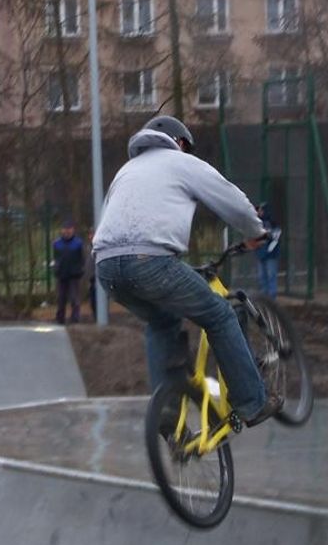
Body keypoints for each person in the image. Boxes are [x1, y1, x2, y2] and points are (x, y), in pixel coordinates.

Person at [92, 115, 281, 429]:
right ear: (179, 142)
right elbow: (232, 201)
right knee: (220, 315)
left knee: (161, 320)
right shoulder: (179, 162)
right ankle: (252, 402)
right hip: (150, 261)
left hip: (107, 267)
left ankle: (167, 409)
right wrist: (255, 231)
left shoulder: (124, 173)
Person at [52, 219, 86, 324]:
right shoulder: (57, 244)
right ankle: (60, 318)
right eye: (65, 229)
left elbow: (82, 258)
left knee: (74, 298)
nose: (67, 231)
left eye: (69, 229)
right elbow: (56, 258)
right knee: (61, 298)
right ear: (61, 230)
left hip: (74, 274)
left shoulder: (78, 243)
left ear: (73, 230)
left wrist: (80, 269)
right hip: (61, 274)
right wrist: (56, 269)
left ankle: (75, 318)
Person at [253, 202, 282, 299]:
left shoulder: (273, 223)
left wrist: (268, 249)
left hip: (271, 255)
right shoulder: (258, 223)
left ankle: (272, 299)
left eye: (261, 210)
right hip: (261, 254)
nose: (259, 212)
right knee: (262, 278)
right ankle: (264, 299)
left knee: (271, 276)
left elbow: (275, 237)